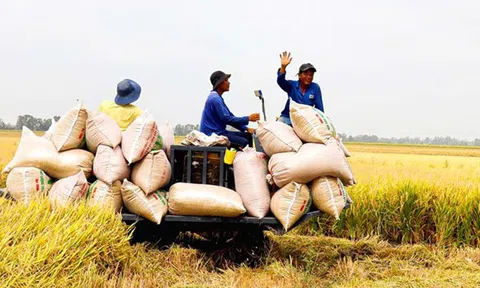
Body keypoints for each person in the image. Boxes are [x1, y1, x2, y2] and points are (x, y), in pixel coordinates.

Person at [200, 71, 260, 148]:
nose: (229, 83)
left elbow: (230, 116)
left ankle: (249, 158)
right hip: (213, 134)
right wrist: (248, 118)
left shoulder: (217, 97)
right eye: (226, 80)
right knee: (243, 142)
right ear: (219, 83)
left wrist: (246, 128)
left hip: (219, 133)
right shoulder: (215, 99)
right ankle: (243, 159)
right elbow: (227, 119)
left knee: (248, 136)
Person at [276, 51, 324, 126]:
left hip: (304, 121)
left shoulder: (315, 88)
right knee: (277, 128)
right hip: (288, 117)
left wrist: (320, 124)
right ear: (299, 75)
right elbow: (280, 81)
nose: (308, 77)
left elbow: (320, 110)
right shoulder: (292, 85)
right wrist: (283, 67)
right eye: (305, 74)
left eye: (311, 75)